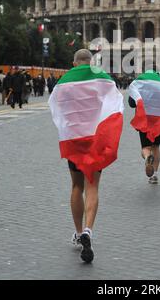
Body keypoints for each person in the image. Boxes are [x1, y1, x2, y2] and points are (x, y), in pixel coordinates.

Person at [49, 49, 124, 264]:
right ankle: (88, 231)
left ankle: (78, 231)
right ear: (91, 62)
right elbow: (115, 102)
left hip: (74, 138)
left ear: (74, 63)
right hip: (95, 138)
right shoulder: (102, 78)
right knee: (92, 184)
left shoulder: (65, 80)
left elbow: (56, 107)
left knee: (76, 186)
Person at [128, 69, 160, 184]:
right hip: (159, 119)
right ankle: (154, 174)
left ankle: (147, 158)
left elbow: (131, 103)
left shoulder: (139, 84)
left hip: (145, 119)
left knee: (145, 147)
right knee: (156, 146)